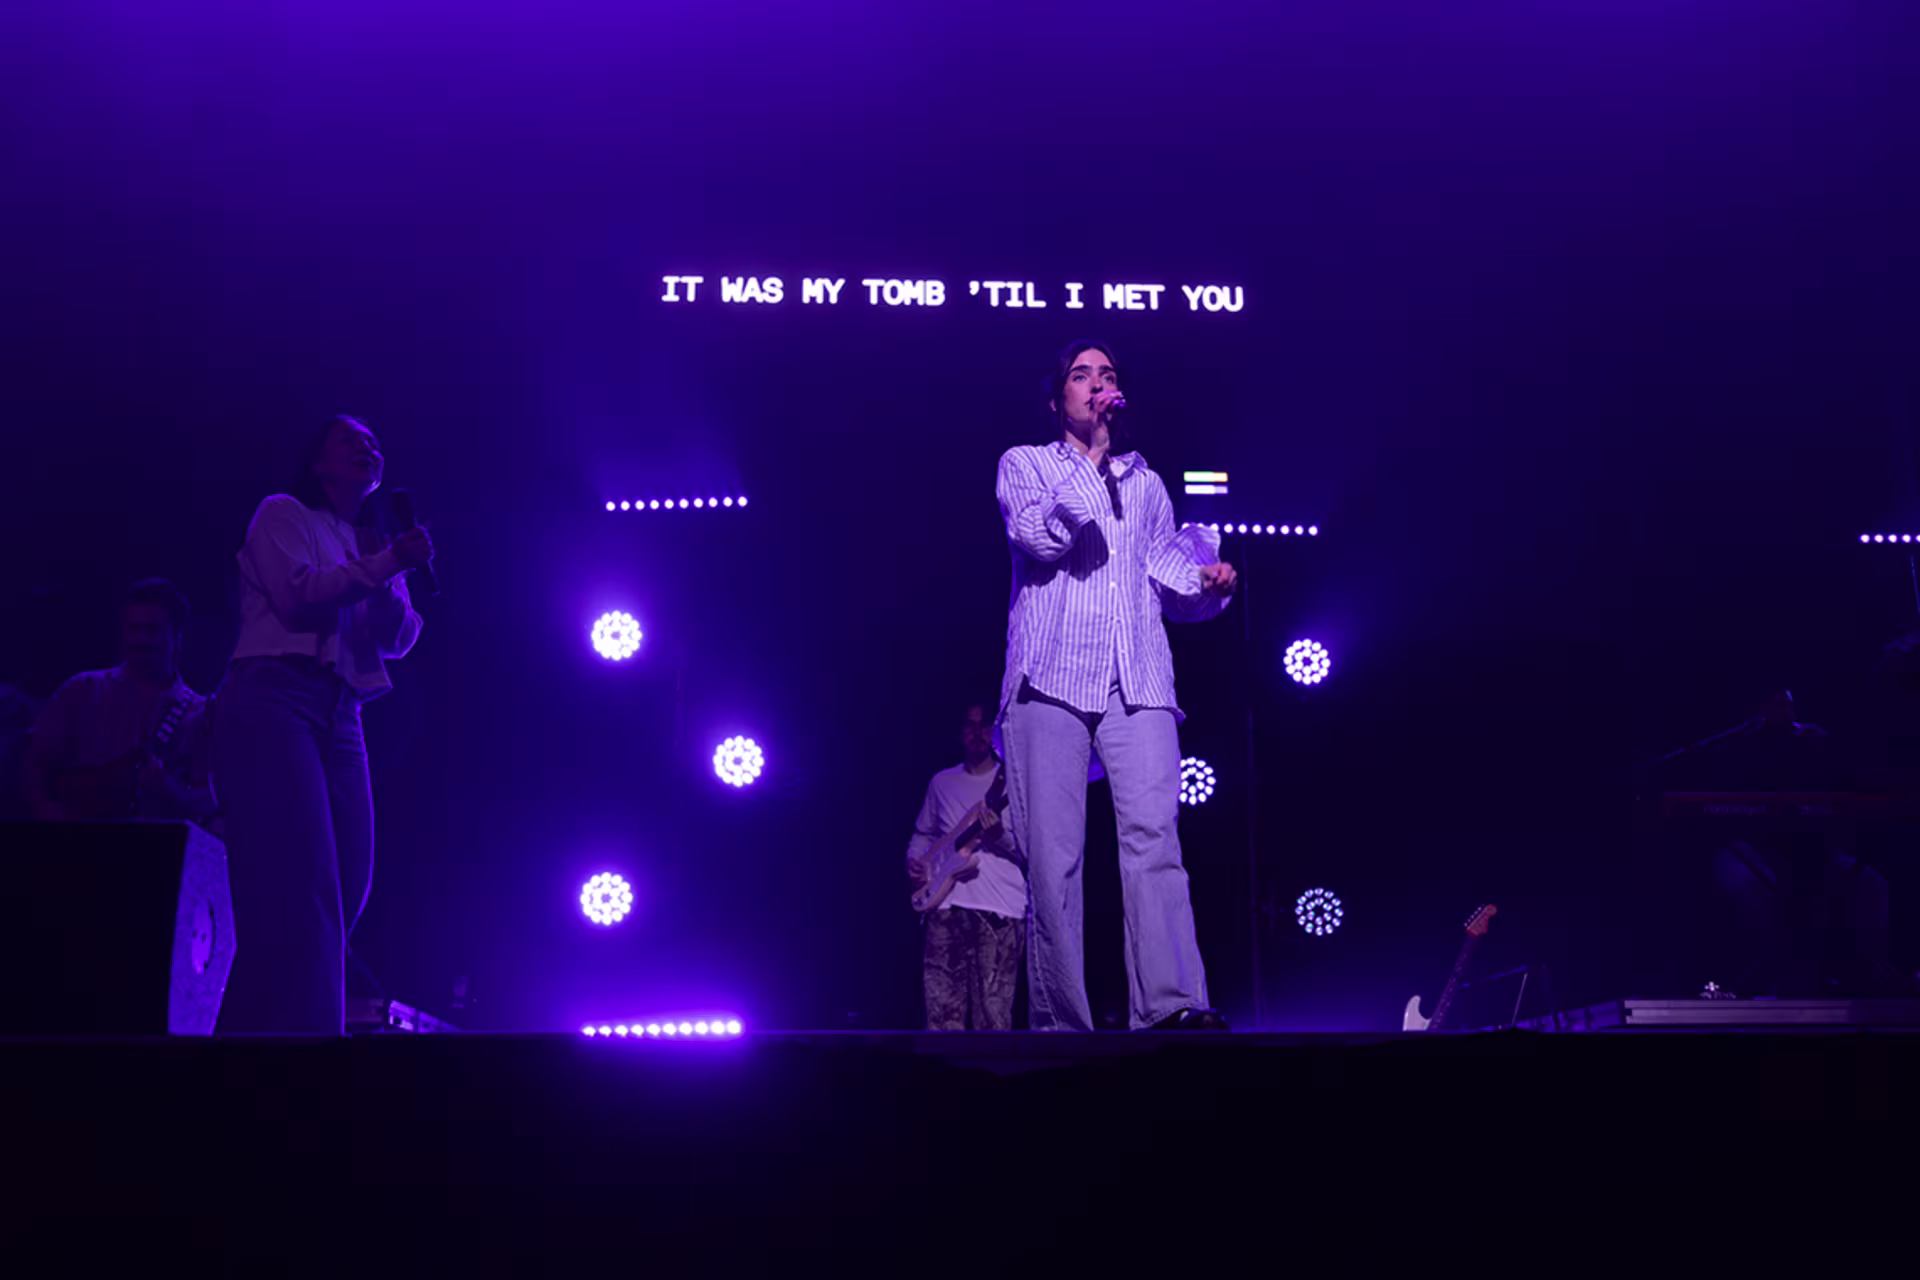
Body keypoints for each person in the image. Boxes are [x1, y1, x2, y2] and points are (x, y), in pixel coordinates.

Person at [994, 340, 1237, 1032]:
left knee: (1156, 840)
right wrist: (1094, 459)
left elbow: (1172, 584)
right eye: (1081, 376)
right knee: (1055, 861)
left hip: (1140, 677)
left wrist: (1206, 583)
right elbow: (1042, 540)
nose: (1097, 385)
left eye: (1108, 375)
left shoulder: (1149, 484)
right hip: (1050, 677)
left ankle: (1171, 1007)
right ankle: (1062, 1026)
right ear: (1057, 400)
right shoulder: (1027, 465)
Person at [211, 415, 430, 1035]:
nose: (368, 447)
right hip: (273, 697)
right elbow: (299, 594)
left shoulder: (367, 540)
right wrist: (387, 559)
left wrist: (389, 567)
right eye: (349, 440)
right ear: (317, 463)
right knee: (307, 890)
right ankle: (312, 1054)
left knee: (346, 887)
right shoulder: (281, 514)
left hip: (343, 713)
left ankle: (245, 1035)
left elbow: (401, 636)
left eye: (375, 443)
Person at [23, 578, 218, 826]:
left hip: (160, 853)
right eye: (132, 629)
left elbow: (213, 798)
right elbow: (35, 760)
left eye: (151, 629)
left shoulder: (202, 714)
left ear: (177, 638)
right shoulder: (82, 690)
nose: (140, 639)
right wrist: (47, 812)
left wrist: (174, 796)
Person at [906, 701, 1027, 1030]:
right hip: (944, 907)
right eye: (970, 725)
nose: (978, 732)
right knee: (942, 1021)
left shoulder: (1016, 785)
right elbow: (923, 834)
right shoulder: (941, 782)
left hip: (999, 912)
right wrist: (916, 863)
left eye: (985, 724)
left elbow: (1035, 853)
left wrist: (1000, 836)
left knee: (994, 1022)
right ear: (960, 732)